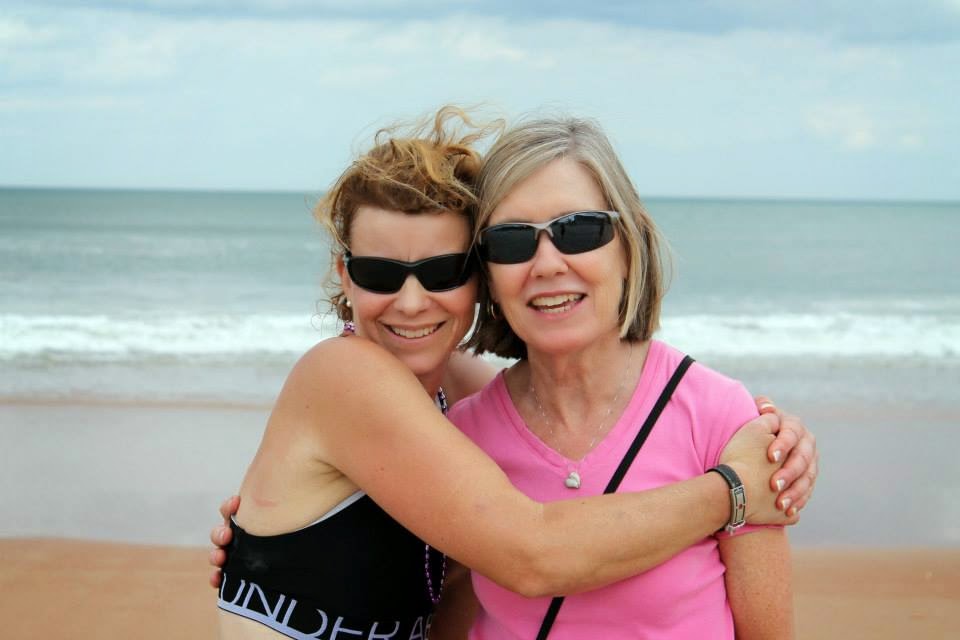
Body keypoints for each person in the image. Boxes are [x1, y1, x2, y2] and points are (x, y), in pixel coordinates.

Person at [212, 107, 817, 640]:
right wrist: (733, 492)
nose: (412, 302)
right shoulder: (347, 375)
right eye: (379, 273)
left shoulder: (463, 402)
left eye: (443, 271)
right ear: (345, 276)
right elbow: (533, 553)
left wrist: (769, 439)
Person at [448, 114, 799, 638]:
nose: (547, 265)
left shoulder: (720, 415)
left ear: (629, 247)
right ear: (488, 277)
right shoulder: (461, 437)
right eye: (511, 241)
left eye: (578, 230)